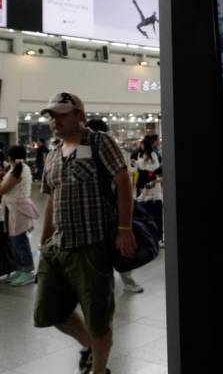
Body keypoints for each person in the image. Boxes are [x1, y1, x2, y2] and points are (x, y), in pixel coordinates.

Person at [34, 92, 136, 374]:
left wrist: (124, 229)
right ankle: (91, 345)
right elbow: (52, 200)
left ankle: (99, 370)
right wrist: (44, 243)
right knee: (51, 312)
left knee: (98, 318)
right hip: (58, 247)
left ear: (80, 115)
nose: (55, 121)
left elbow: (123, 181)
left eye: (61, 114)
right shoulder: (53, 154)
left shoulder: (99, 142)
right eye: (51, 116)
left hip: (91, 246)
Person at [85, 118, 144, 294]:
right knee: (115, 249)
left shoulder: (102, 147)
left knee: (117, 246)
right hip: (107, 207)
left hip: (108, 207)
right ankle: (126, 281)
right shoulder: (89, 149)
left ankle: (125, 280)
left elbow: (122, 181)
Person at [0, 145, 40, 286]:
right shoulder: (18, 167)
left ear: (10, 157)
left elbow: (3, 189)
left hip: (18, 208)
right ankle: (20, 268)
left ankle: (28, 271)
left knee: (19, 240)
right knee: (14, 239)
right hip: (14, 208)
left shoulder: (18, 169)